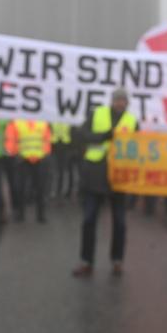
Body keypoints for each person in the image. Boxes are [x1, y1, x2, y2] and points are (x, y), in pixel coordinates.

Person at [73, 89, 138, 277]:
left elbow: (140, 148)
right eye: (118, 99)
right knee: (89, 219)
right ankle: (86, 261)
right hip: (95, 174)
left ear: (127, 103)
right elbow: (82, 134)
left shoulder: (132, 121)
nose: (120, 103)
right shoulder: (97, 114)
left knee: (120, 222)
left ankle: (117, 260)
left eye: (123, 100)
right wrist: (104, 136)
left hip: (119, 178)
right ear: (112, 101)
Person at [6, 119, 52, 223]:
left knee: (40, 188)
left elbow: (47, 140)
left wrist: (45, 154)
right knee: (21, 188)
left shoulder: (43, 122)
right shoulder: (17, 122)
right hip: (23, 159)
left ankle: (41, 214)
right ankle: (21, 214)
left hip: (39, 159)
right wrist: (13, 153)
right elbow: (12, 140)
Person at [50, 121, 76, 199]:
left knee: (65, 171)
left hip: (66, 147)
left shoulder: (69, 118)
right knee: (56, 171)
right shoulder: (52, 118)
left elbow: (73, 133)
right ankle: (54, 191)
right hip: (55, 146)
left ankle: (64, 191)